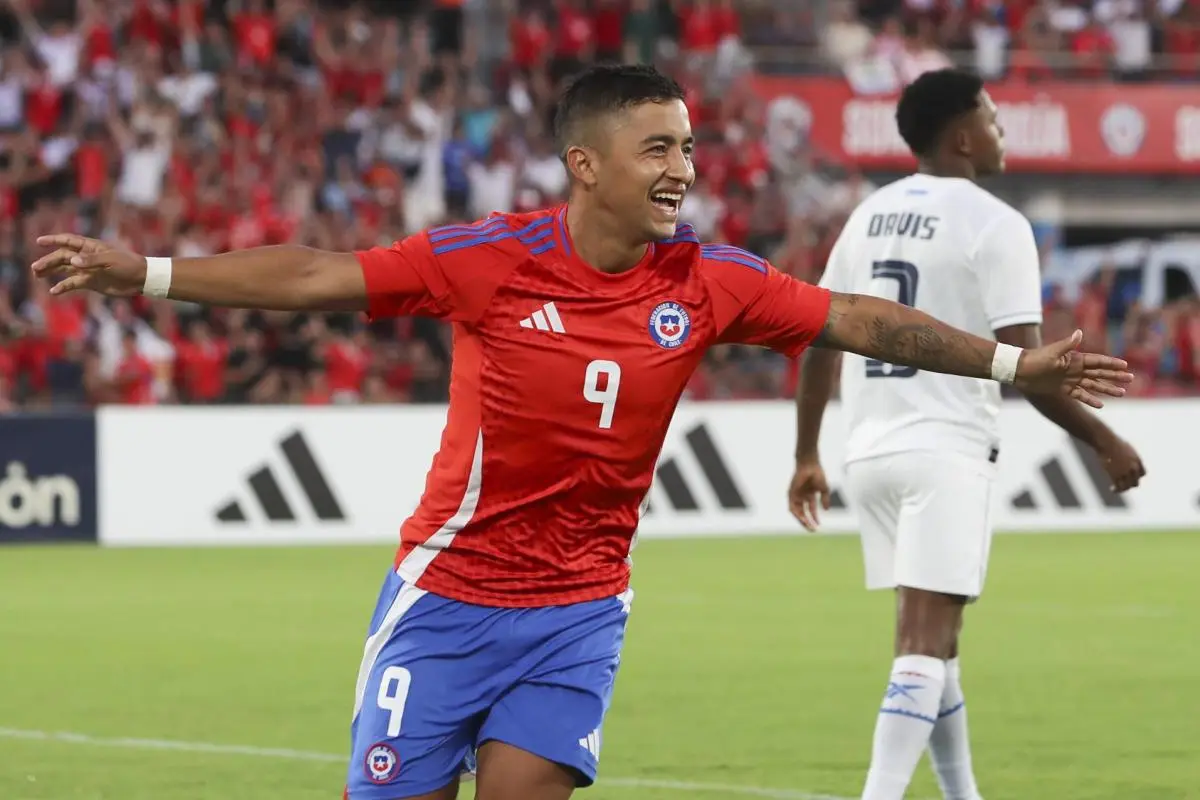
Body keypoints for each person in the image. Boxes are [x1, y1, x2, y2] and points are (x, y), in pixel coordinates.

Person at [31, 64, 1132, 800]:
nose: (683, 169)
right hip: (447, 598)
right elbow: (322, 273)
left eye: (689, 147)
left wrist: (1008, 361)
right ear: (587, 164)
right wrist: (151, 271)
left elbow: (852, 316)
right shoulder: (488, 258)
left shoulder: (705, 281)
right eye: (657, 147)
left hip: (577, 609)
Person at [787, 68, 1146, 800]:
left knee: (936, 646)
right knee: (921, 646)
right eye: (989, 115)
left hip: (870, 451)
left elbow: (821, 336)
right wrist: (1105, 441)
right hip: (943, 449)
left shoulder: (867, 215)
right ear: (960, 135)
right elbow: (1029, 366)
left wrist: (806, 453)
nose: (999, 128)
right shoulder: (996, 222)